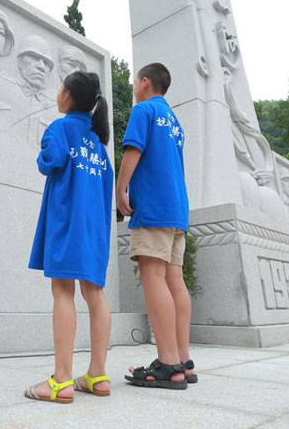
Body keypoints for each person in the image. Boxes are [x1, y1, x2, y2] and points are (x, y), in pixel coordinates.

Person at [24, 71, 114, 404]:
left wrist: (42, 147)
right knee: (95, 294)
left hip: (66, 223)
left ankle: (61, 381)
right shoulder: (98, 144)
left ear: (69, 96)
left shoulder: (60, 129)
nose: (57, 92)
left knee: (62, 291)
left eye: (61, 87)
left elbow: (50, 162)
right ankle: (98, 375)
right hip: (93, 229)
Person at [116, 62, 193, 390]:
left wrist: (121, 188)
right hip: (178, 211)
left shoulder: (143, 110)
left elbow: (134, 149)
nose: (134, 85)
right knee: (175, 279)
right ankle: (183, 361)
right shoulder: (175, 123)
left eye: (135, 80)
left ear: (145, 82)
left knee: (154, 277)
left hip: (154, 207)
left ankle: (167, 363)